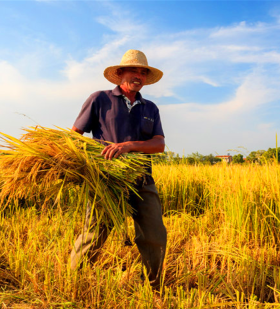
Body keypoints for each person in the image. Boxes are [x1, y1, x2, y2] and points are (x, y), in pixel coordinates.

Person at [69, 49, 167, 287]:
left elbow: (159, 144)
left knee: (155, 235)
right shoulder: (99, 99)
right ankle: (73, 281)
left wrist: (128, 146)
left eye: (143, 72)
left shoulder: (150, 107)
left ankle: (153, 286)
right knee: (93, 235)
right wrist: (88, 165)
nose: (139, 75)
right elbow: (75, 136)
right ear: (120, 72)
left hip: (142, 180)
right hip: (107, 179)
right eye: (134, 70)